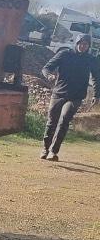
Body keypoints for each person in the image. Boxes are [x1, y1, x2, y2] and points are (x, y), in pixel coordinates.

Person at [40, 33, 99, 161]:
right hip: (59, 94)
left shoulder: (91, 59)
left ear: (88, 46)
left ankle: (53, 151)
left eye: (86, 44)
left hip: (76, 97)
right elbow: (46, 68)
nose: (83, 46)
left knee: (64, 120)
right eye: (81, 43)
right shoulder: (65, 54)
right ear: (77, 43)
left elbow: (96, 78)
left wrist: (96, 95)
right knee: (52, 121)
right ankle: (45, 148)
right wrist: (49, 75)